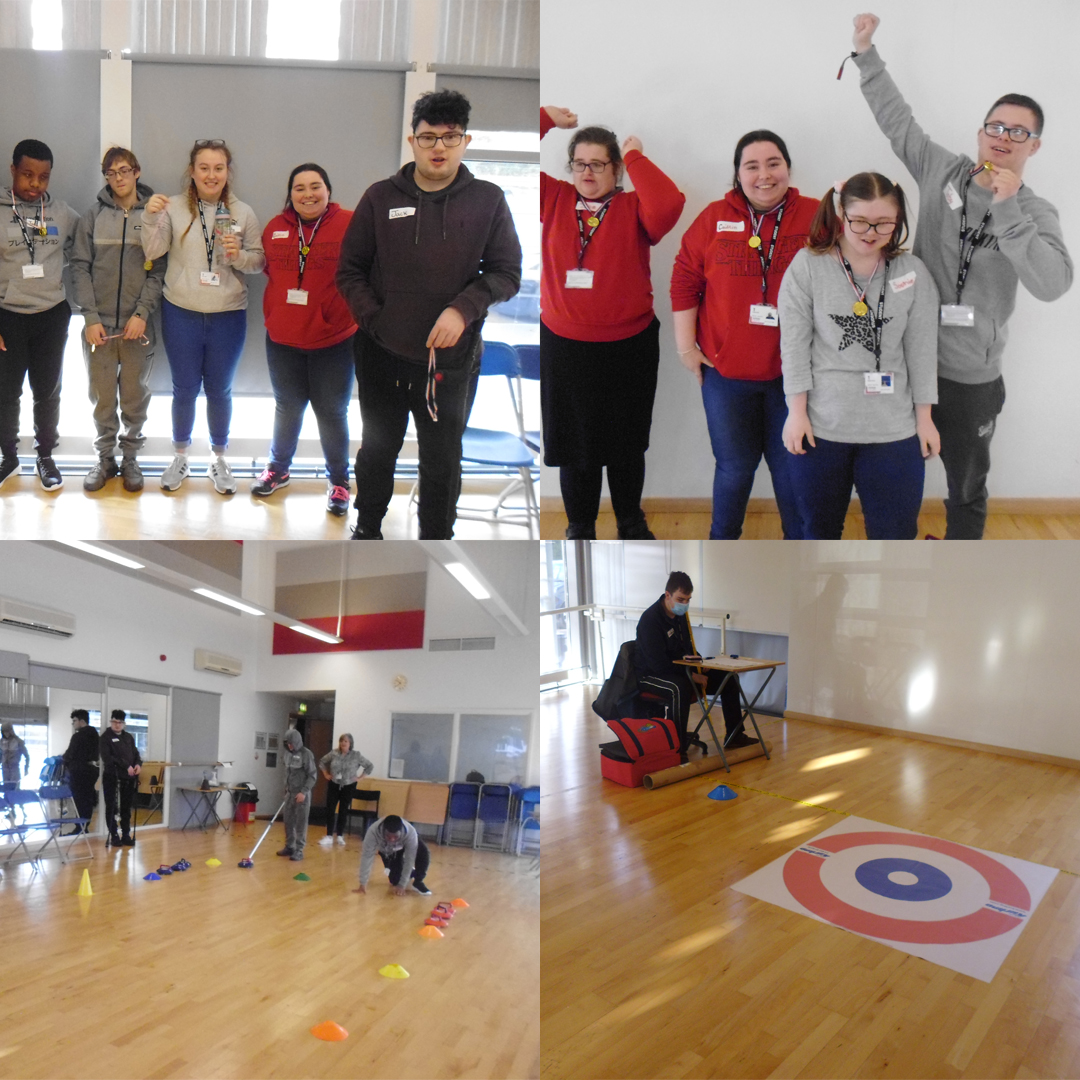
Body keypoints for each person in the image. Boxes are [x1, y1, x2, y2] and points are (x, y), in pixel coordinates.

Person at [848, 13, 1073, 538]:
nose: (1003, 137)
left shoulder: (1036, 213)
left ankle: (958, 561)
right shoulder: (942, 171)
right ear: (981, 133)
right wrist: (865, 52)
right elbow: (896, 120)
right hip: (906, 364)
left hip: (971, 382)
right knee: (893, 478)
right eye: (996, 126)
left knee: (966, 489)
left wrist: (1009, 207)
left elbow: (1054, 284)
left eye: (1018, 132)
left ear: (1033, 145)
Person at [336, 89, 522, 540]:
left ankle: (437, 539)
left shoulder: (488, 200)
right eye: (428, 137)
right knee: (377, 452)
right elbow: (350, 272)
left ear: (465, 141)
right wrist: (376, 319)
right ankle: (367, 530)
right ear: (412, 141)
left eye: (449, 136)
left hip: (450, 364)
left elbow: (506, 273)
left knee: (441, 461)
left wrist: (463, 309)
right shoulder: (380, 197)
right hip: (382, 356)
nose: (438, 146)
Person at [541, 105, 685, 540]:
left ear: (616, 169)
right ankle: (579, 526)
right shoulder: (553, 198)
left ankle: (630, 521)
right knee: (574, 448)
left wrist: (636, 154)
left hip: (629, 347)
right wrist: (544, 117)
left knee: (626, 445)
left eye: (598, 164)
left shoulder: (633, 206)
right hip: (566, 347)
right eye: (579, 164)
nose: (587, 172)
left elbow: (669, 204)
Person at [670, 131, 818, 539]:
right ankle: (722, 546)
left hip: (796, 379)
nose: (764, 175)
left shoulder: (818, 216)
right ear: (737, 174)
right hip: (726, 376)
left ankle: (799, 551)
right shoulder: (713, 217)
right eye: (751, 166)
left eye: (773, 163)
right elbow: (684, 280)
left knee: (791, 470)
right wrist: (686, 348)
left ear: (788, 167)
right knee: (734, 470)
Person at [778, 173, 940, 540]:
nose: (871, 232)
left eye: (884, 223)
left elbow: (922, 350)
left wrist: (925, 418)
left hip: (893, 431)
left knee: (895, 535)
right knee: (818, 534)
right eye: (860, 221)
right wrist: (796, 412)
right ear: (840, 212)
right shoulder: (808, 267)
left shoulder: (911, 272)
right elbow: (794, 346)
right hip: (822, 429)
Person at [141, 139, 265, 494]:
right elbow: (152, 251)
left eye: (219, 168)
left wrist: (239, 256)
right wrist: (150, 216)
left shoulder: (243, 213)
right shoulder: (174, 207)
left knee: (220, 390)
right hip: (182, 312)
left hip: (228, 315)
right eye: (204, 168)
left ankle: (219, 458)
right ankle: (180, 456)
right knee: (184, 389)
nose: (212, 175)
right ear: (192, 172)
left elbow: (258, 262)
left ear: (228, 172)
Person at [254, 163, 357, 516]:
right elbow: (270, 272)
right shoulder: (275, 228)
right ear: (290, 193)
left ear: (328, 190)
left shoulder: (350, 224)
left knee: (331, 412)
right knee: (287, 407)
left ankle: (340, 482)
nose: (308, 194)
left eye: (316, 186)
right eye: (300, 188)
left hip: (333, 340)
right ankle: (278, 470)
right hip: (282, 340)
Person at [69, 146, 165, 493]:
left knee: (135, 397)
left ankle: (130, 459)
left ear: (137, 172)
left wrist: (142, 314)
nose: (118, 178)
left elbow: (159, 271)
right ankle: (105, 459)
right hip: (99, 329)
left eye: (124, 170)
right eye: (111, 173)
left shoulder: (155, 217)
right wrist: (89, 317)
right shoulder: (92, 217)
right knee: (103, 397)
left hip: (137, 328)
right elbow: (79, 267)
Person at [0, 139, 80, 491]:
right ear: (13, 170)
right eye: (28, 175)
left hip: (51, 315)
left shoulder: (62, 213)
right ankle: (8, 456)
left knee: (47, 391)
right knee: (6, 392)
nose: (35, 184)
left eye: (43, 177)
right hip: (8, 316)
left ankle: (45, 456)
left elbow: (91, 247)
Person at [634, 571, 754, 754]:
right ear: (668, 595)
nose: (685, 604)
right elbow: (658, 664)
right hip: (650, 675)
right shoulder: (650, 620)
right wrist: (692, 675)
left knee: (728, 679)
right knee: (680, 688)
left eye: (688, 600)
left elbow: (687, 648)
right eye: (681, 599)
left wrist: (700, 663)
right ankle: (677, 748)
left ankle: (734, 736)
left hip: (680, 671)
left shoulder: (680, 616)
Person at [352, 813, 432, 896]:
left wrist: (402, 885)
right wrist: (362, 883)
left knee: (424, 853)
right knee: (395, 880)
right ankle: (409, 871)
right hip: (389, 851)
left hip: (405, 844)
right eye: (388, 837)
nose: (392, 840)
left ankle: (418, 881)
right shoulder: (372, 832)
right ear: (383, 831)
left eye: (395, 837)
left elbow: (410, 858)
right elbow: (367, 857)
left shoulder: (411, 833)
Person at [317, 732, 373, 846]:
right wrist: (326, 774)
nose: (343, 743)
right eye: (341, 741)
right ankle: (328, 835)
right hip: (334, 784)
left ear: (350, 743)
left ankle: (340, 835)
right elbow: (322, 762)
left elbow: (369, 766)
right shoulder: (334, 753)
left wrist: (360, 778)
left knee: (343, 810)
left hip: (348, 785)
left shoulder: (356, 755)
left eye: (346, 741)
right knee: (330, 808)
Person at [99, 709, 141, 846]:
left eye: (120, 722)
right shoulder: (105, 738)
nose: (117, 725)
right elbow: (108, 757)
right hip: (112, 777)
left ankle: (126, 834)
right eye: (115, 722)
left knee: (126, 808)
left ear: (124, 724)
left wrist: (137, 765)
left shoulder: (128, 737)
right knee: (111, 807)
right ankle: (114, 835)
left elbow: (135, 754)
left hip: (128, 779)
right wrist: (125, 766)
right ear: (111, 722)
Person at [277, 727, 315, 861]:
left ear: (297, 741)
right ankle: (289, 846)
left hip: (302, 795)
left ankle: (299, 850)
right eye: (287, 743)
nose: (289, 746)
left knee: (301, 822)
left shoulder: (306, 754)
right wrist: (286, 788)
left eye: (291, 743)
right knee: (288, 821)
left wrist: (303, 792)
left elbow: (312, 776)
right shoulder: (287, 754)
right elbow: (287, 773)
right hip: (290, 793)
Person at [62, 709, 99, 834]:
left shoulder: (77, 736)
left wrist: (64, 760)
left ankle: (79, 827)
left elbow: (69, 754)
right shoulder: (95, 735)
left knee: (78, 799)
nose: (73, 724)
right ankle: (85, 826)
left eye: (74, 721)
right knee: (87, 799)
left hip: (78, 771)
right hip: (91, 771)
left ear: (81, 721)